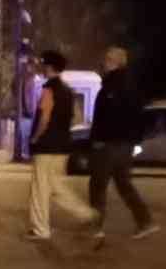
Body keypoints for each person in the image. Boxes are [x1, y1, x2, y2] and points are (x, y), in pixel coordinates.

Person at [87, 47, 158, 240]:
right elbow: (140, 116)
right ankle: (145, 221)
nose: (105, 62)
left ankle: (96, 228)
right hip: (124, 144)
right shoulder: (132, 86)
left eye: (108, 59)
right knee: (124, 183)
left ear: (117, 62)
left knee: (98, 184)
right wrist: (135, 139)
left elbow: (105, 117)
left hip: (109, 144)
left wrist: (98, 139)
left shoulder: (111, 87)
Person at [26, 51, 98, 240]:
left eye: (43, 64)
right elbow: (77, 118)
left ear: (49, 67)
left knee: (40, 189)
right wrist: (62, 130)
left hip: (46, 146)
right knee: (56, 186)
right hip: (62, 146)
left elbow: (44, 118)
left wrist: (36, 137)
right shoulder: (68, 90)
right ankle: (86, 213)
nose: (41, 67)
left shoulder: (48, 89)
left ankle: (40, 229)